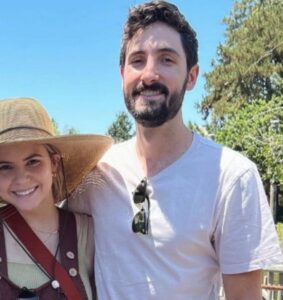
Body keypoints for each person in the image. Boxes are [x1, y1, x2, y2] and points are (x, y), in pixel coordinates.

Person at [69, 1, 283, 299]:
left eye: (167, 59)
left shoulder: (232, 177)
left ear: (191, 76)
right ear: (122, 75)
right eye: (138, 60)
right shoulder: (95, 174)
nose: (149, 74)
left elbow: (244, 296)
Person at [0, 97, 112, 299]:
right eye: (5, 167)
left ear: (54, 164)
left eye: (33, 162)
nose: (21, 178)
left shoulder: (88, 234)